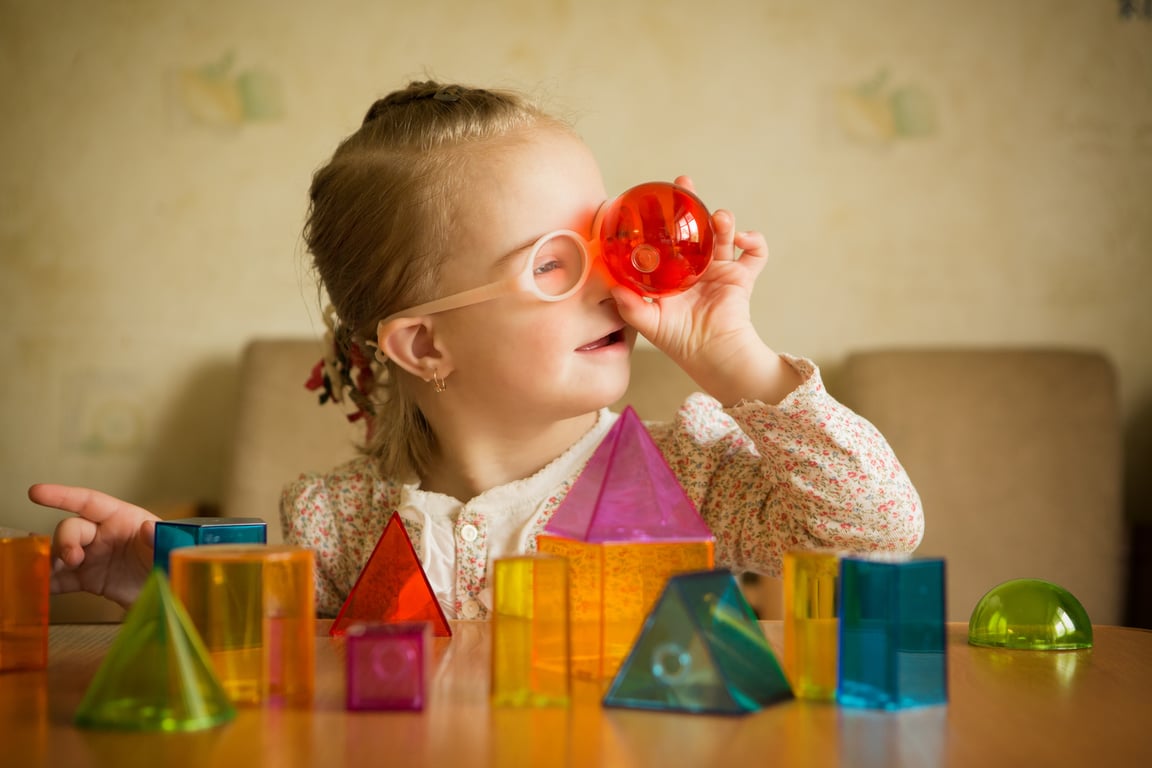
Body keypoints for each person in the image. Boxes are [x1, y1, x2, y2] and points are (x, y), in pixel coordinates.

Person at [28, 80, 923, 618]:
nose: (616, 282)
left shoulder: (691, 473)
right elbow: (274, 640)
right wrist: (156, 573)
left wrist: (732, 354)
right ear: (425, 343)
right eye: (554, 264)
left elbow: (876, 529)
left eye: (607, 242)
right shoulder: (340, 522)